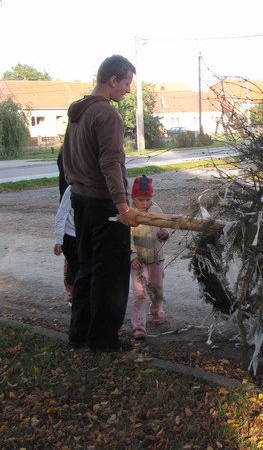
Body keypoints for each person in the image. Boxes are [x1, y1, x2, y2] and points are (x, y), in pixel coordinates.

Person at [62, 55, 141, 352]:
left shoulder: (78, 113)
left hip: (81, 201)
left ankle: (79, 335)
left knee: (86, 270)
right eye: (126, 83)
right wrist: (122, 207)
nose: (128, 90)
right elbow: (110, 162)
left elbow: (65, 160)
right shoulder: (106, 115)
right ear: (112, 81)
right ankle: (103, 340)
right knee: (110, 275)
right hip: (103, 205)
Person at [128, 175, 170, 339]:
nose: (145, 203)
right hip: (139, 261)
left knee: (157, 289)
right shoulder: (130, 214)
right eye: (141, 199)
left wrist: (164, 234)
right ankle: (139, 325)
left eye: (147, 199)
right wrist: (132, 256)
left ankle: (157, 313)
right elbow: (126, 238)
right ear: (134, 198)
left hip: (157, 259)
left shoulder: (156, 210)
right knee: (140, 293)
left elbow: (164, 228)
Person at [53, 186, 77, 307]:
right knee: (73, 269)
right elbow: (61, 214)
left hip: (88, 235)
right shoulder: (72, 189)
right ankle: (72, 294)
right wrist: (59, 240)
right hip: (71, 236)